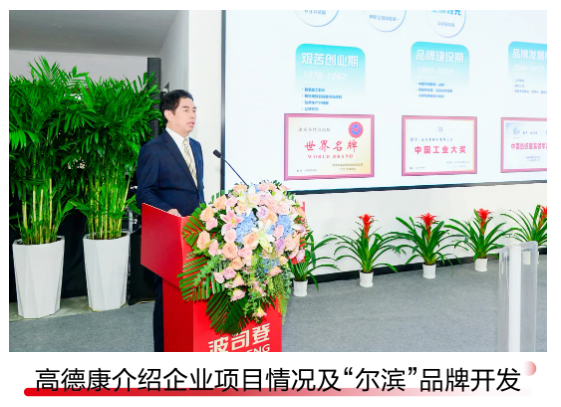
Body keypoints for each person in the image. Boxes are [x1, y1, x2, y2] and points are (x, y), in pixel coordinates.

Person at [136, 90, 204, 352]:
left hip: (195, 233)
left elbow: (196, 191)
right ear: (168, 114)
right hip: (168, 235)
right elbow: (144, 194)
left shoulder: (195, 147)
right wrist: (168, 210)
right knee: (167, 299)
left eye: (194, 110)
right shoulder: (153, 149)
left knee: (192, 295)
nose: (192, 115)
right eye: (186, 109)